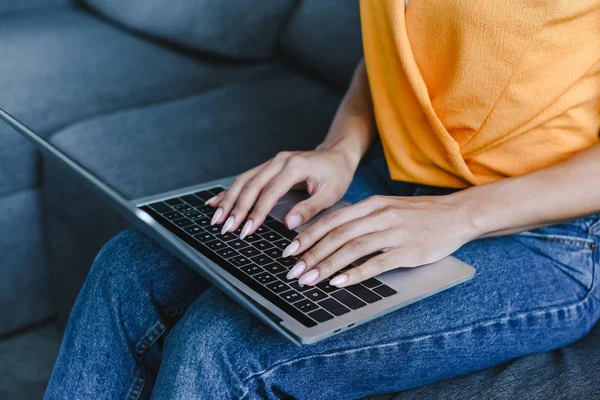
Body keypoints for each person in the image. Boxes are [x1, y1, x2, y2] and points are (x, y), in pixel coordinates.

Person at [45, 1, 600, 399]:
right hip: (392, 182)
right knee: (127, 266)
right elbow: (395, 49)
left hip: (544, 235)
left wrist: (458, 214)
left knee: (221, 345)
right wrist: (339, 149)